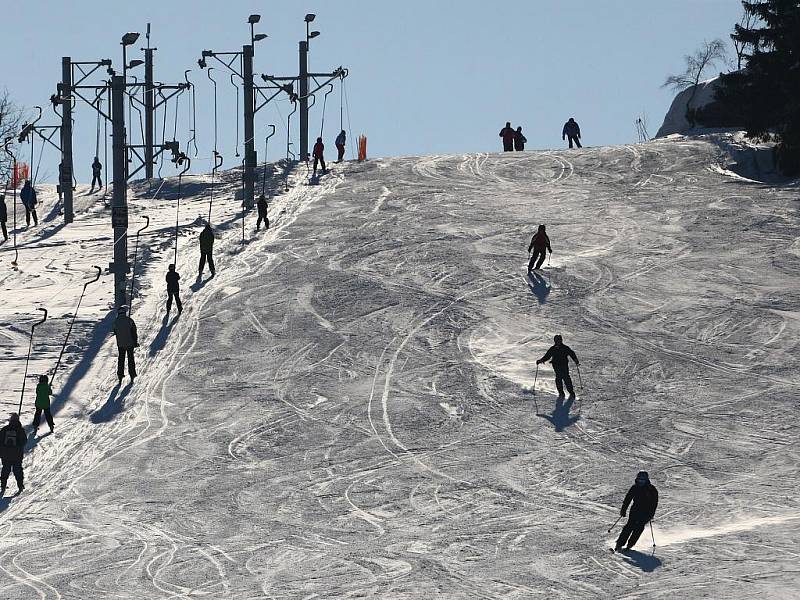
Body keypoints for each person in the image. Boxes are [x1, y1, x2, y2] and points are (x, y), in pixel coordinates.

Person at [615, 471, 659, 552]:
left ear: (646, 480)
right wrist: (623, 509)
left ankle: (630, 545)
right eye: (639, 480)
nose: (641, 481)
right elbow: (628, 499)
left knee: (638, 528)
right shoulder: (635, 488)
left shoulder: (652, 490)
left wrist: (651, 514)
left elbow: (654, 503)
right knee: (629, 527)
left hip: (646, 512)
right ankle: (619, 544)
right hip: (635, 510)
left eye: (643, 480)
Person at [536, 334, 580, 398]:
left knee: (566, 378)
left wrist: (576, 360)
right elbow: (547, 356)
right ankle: (561, 393)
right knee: (559, 378)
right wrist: (540, 360)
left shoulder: (565, 348)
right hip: (556, 366)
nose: (558, 341)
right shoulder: (553, 349)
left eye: (559, 340)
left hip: (564, 365)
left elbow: (571, 353)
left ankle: (571, 392)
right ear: (555, 341)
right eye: (557, 340)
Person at [0, 413, 27, 496]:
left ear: (10, 420)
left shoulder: (5, 429)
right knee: (18, 470)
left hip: (6, 455)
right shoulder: (20, 430)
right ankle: (20, 485)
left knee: (5, 469)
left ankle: (3, 485)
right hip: (17, 455)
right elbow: (24, 441)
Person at [113, 305, 138, 384]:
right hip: (130, 343)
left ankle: (120, 375)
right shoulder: (129, 320)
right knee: (130, 358)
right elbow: (134, 332)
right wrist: (135, 342)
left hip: (120, 344)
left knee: (121, 359)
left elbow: (115, 332)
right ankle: (132, 374)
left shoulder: (115, 322)